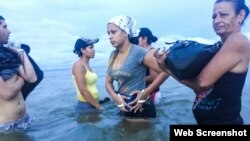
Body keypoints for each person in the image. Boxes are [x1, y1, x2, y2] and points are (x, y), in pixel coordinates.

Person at [155, 0, 250, 124]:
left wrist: (167, 69)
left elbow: (201, 83)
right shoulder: (221, 46)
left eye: (224, 14)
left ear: (240, 15)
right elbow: (202, 91)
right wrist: (167, 67)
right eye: (214, 16)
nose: (216, 20)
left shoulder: (237, 40)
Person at [105, 15, 169, 119]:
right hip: (123, 109)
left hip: (141, 109)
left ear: (125, 32)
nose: (110, 36)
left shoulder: (138, 52)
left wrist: (146, 93)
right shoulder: (113, 54)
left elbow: (166, 71)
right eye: (108, 33)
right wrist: (117, 99)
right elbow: (108, 82)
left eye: (113, 32)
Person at [0, 15, 37, 131]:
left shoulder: (7, 54)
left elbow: (32, 78)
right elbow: (8, 93)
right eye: (5, 27)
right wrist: (22, 78)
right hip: (6, 126)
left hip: (24, 119)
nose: (9, 31)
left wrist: (21, 52)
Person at [72, 37, 107, 114]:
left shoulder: (87, 65)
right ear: (82, 50)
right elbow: (83, 90)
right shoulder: (78, 65)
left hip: (92, 104)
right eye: (91, 48)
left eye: (93, 47)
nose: (94, 50)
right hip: (85, 107)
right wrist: (99, 106)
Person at [131, 27, 162, 106]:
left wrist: (134, 80)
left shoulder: (151, 53)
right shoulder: (146, 52)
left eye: (137, 38)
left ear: (144, 39)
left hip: (151, 94)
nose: (136, 40)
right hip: (150, 92)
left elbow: (154, 76)